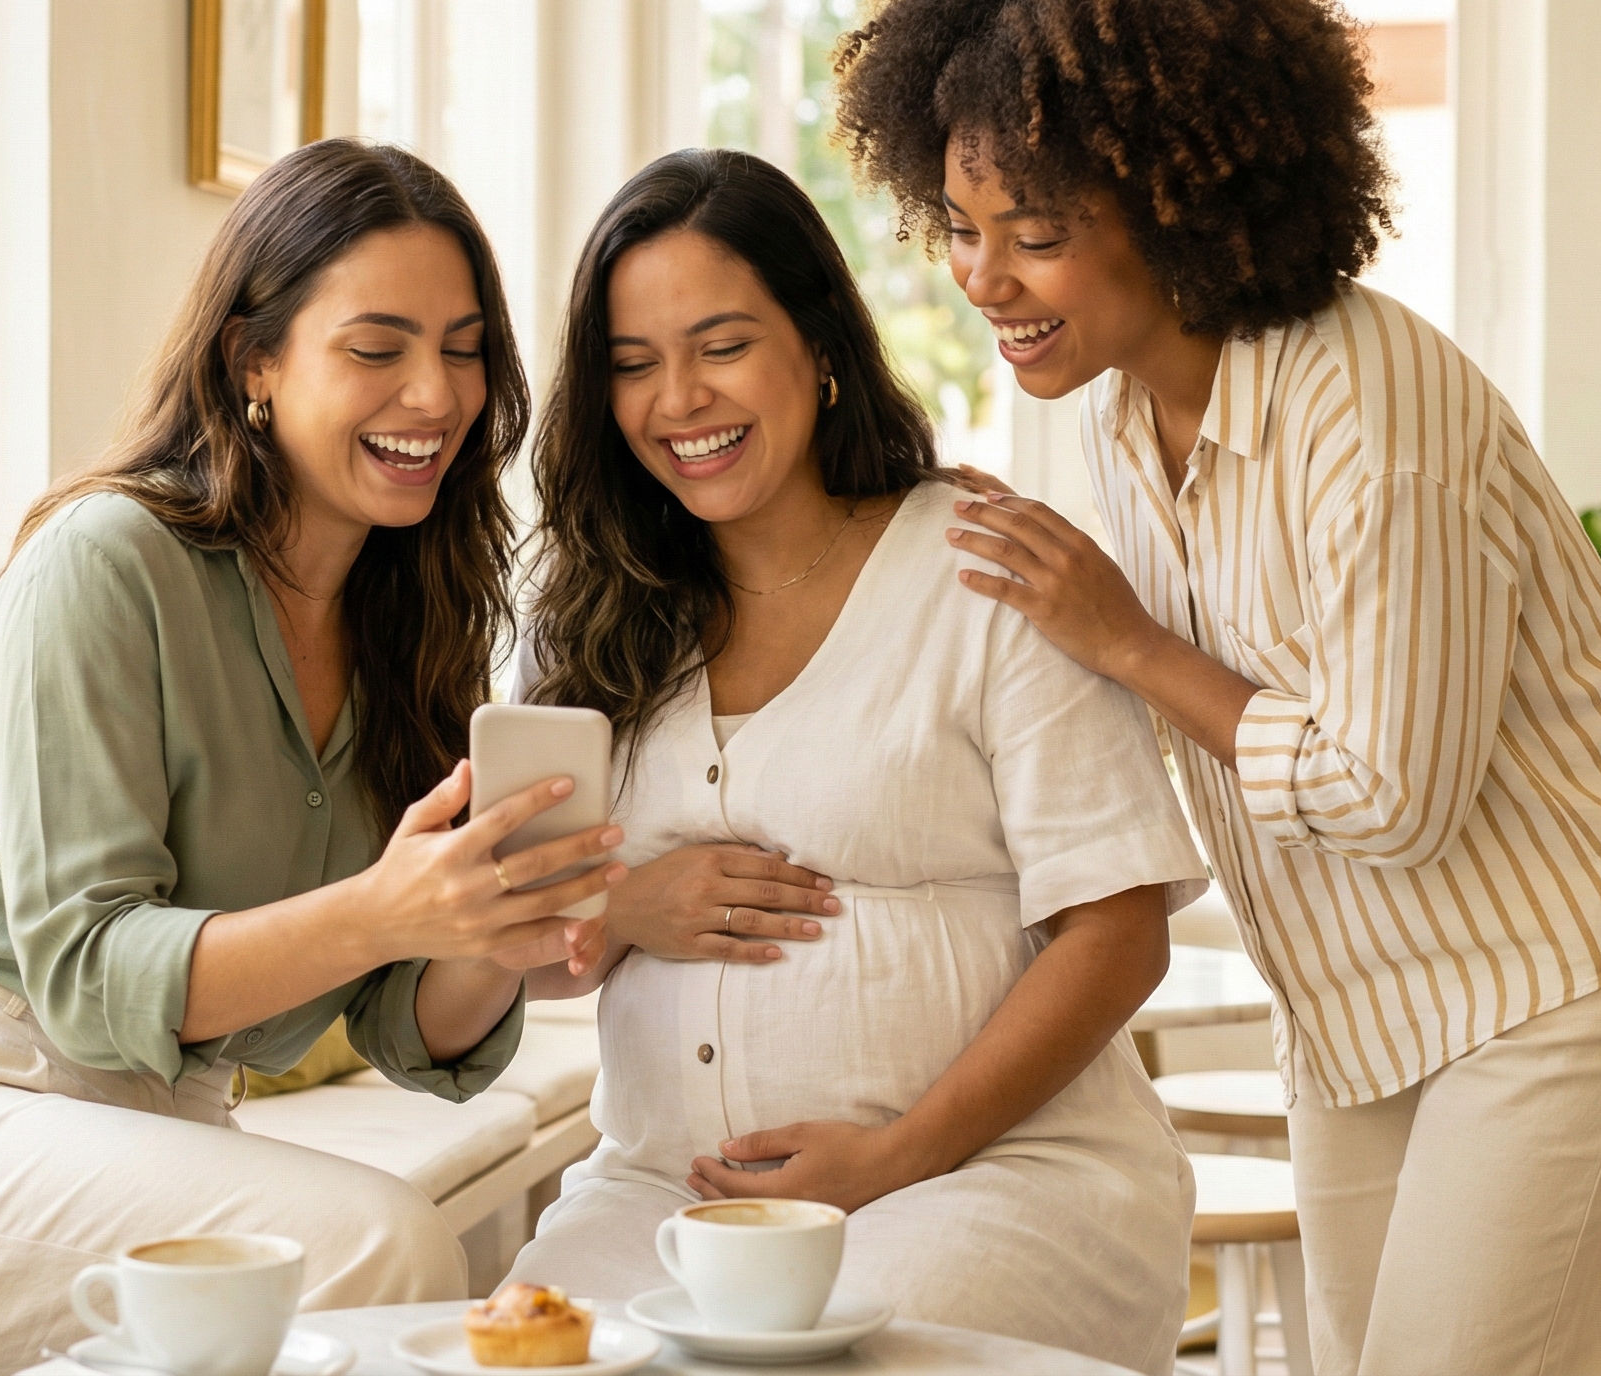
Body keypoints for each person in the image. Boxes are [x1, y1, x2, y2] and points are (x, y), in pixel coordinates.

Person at [829, 0, 1601, 1376]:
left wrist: (1123, 638)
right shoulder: (1130, 428)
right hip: (1363, 999)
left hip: (1574, 965)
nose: (984, 279)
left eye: (1038, 235)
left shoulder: (1368, 407)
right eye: (961, 229)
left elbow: (1391, 792)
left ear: (1177, 208)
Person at [0, 140, 626, 1376]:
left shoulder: (409, 623)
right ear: (255, 361)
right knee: (382, 1250)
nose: (435, 395)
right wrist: (379, 909)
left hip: (133, 1135)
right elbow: (86, 971)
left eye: (463, 349)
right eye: (377, 348)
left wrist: (486, 935)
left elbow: (404, 1024)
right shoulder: (107, 561)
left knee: (352, 1273)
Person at [502, 149, 1202, 1372]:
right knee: (519, 1352)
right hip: (663, 1199)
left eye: (720, 345)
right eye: (632, 364)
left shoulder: (986, 572)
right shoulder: (595, 618)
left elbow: (1119, 929)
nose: (678, 400)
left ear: (818, 348)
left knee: (825, 1362)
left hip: (988, 1182)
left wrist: (898, 1155)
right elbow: (529, 962)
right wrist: (620, 907)